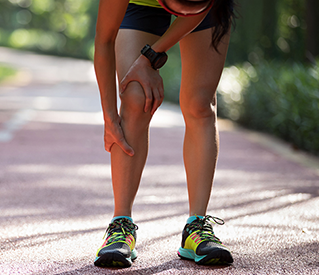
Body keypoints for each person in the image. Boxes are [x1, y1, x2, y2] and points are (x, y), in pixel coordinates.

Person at [93, 0, 236, 268]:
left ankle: (197, 226)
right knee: (136, 96)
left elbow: (198, 8)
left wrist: (151, 56)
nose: (180, 11)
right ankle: (120, 225)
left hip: (208, 8)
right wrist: (110, 117)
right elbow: (103, 39)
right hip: (140, 5)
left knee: (200, 105)